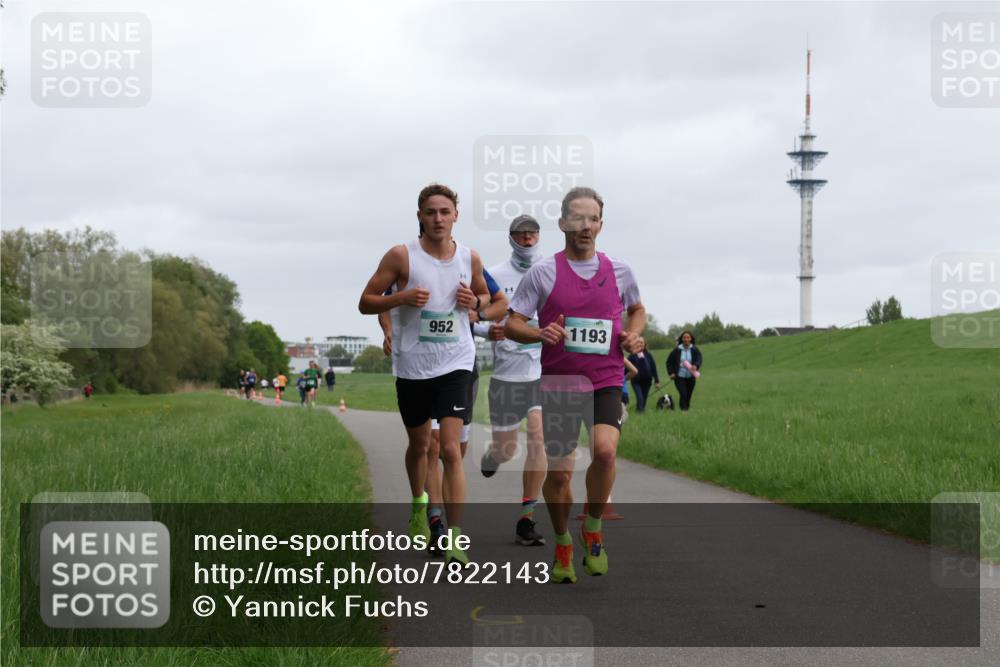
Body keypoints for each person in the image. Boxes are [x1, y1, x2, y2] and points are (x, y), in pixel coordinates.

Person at [506, 187, 645, 583]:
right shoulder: (544, 272)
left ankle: (594, 528)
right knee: (562, 475)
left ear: (601, 224)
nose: (587, 226)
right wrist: (538, 334)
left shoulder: (620, 270)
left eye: (594, 219)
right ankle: (564, 541)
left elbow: (636, 310)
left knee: (604, 453)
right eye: (579, 219)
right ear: (563, 223)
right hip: (561, 383)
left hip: (605, 379)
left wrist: (633, 335)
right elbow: (513, 322)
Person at [359, 183, 490, 566]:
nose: (438, 218)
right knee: (421, 447)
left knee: (450, 449)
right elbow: (366, 301)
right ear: (420, 215)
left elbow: (490, 301)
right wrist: (400, 298)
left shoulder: (469, 258)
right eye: (430, 212)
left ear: (455, 216)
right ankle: (420, 503)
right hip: (414, 366)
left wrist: (476, 304)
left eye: (445, 212)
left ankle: (455, 537)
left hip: (456, 362)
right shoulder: (402, 256)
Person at [478, 214, 549, 547]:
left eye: (532, 235)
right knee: (507, 450)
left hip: (539, 371)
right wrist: (486, 329)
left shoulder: (550, 273)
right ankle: (494, 455)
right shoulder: (493, 275)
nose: (527, 241)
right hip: (506, 376)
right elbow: (474, 318)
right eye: (521, 236)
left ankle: (527, 518)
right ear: (511, 239)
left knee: (538, 436)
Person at [666, 330, 702, 411]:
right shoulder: (677, 350)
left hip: (691, 376)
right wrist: (671, 373)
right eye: (684, 337)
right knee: (683, 394)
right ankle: (683, 410)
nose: (686, 339)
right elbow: (669, 362)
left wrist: (696, 365)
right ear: (682, 339)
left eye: (688, 337)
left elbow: (699, 359)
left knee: (688, 395)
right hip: (679, 376)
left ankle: (686, 410)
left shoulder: (694, 349)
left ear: (690, 339)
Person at [627, 342, 659, 413]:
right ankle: (640, 413)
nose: (640, 344)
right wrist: (623, 378)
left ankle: (640, 411)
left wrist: (657, 381)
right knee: (640, 398)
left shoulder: (649, 355)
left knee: (644, 399)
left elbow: (653, 368)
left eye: (642, 343)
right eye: (638, 343)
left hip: (647, 381)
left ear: (645, 345)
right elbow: (626, 368)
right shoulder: (632, 356)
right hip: (636, 381)